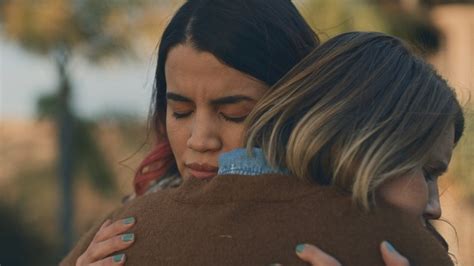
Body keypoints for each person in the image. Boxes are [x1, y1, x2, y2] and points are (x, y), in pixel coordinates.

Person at [61, 32, 464, 265]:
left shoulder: (131, 226)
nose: (201, 139)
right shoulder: (407, 248)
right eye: (180, 109)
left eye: (235, 113)